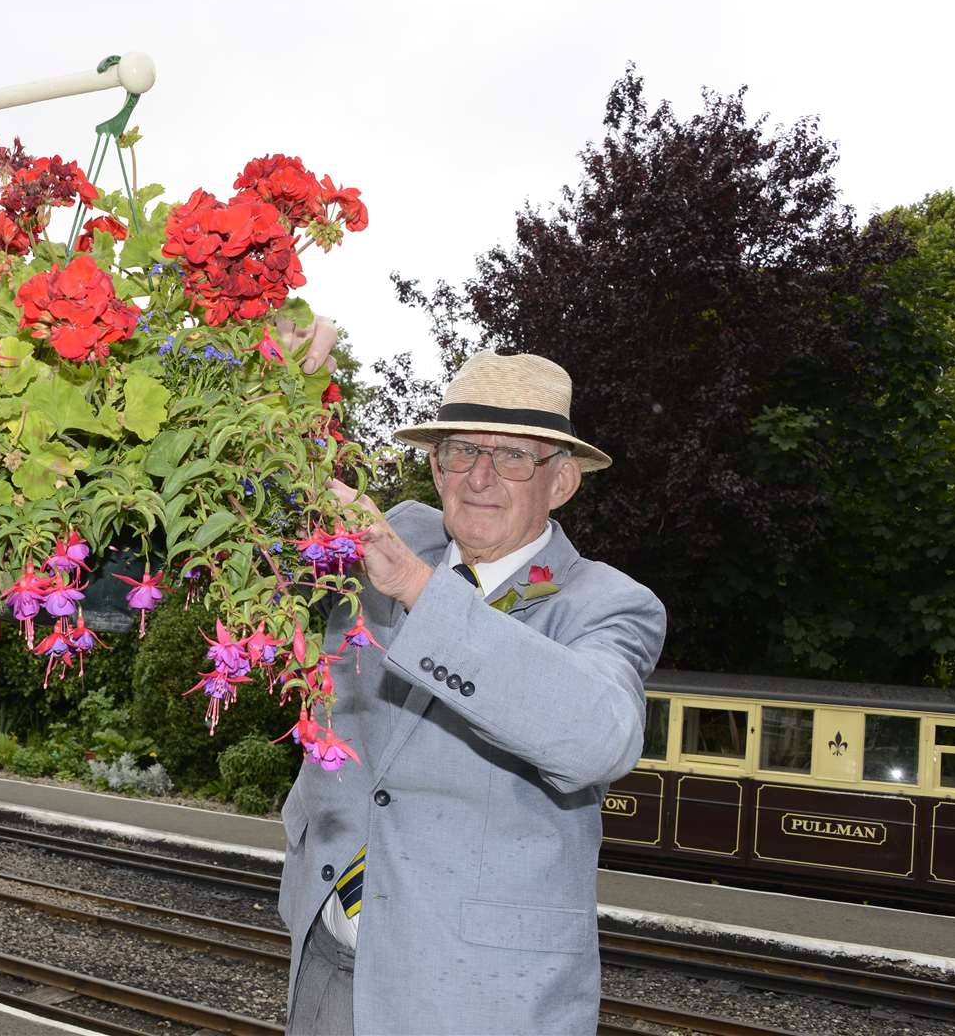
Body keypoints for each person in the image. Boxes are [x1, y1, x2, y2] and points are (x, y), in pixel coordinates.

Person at [279, 350, 667, 1036]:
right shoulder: (401, 535)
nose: (480, 477)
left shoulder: (607, 604)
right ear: (434, 467)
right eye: (461, 451)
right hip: (329, 970)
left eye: (514, 456)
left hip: (483, 1002)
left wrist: (419, 593)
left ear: (562, 481)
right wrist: (284, 375)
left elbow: (598, 739)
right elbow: (251, 516)